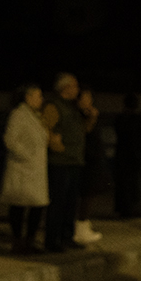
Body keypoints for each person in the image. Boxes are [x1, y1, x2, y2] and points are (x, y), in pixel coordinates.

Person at [42, 73, 92, 252]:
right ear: (65, 88)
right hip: (60, 162)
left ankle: (67, 236)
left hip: (74, 161)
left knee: (71, 203)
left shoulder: (73, 107)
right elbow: (45, 128)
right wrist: (56, 146)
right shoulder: (54, 106)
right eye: (75, 86)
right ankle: (52, 240)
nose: (77, 90)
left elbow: (82, 130)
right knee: (58, 203)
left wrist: (89, 114)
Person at [0, 84, 50, 254]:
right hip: (23, 168)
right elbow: (10, 140)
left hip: (35, 169)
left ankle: (30, 240)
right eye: (38, 96)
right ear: (27, 97)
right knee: (19, 206)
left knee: (37, 205)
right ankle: (18, 241)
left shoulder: (35, 116)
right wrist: (27, 155)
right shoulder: (19, 115)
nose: (41, 100)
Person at [74, 85, 110, 244]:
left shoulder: (89, 114)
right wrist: (92, 118)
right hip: (85, 160)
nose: (89, 102)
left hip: (94, 159)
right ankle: (79, 227)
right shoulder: (78, 115)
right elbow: (83, 133)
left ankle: (84, 224)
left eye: (90, 98)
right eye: (85, 98)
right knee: (86, 194)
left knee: (92, 193)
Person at [113, 92, 141, 218]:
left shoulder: (120, 118)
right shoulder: (138, 119)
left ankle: (124, 210)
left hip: (122, 155)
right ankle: (133, 209)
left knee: (123, 185)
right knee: (134, 185)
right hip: (134, 156)